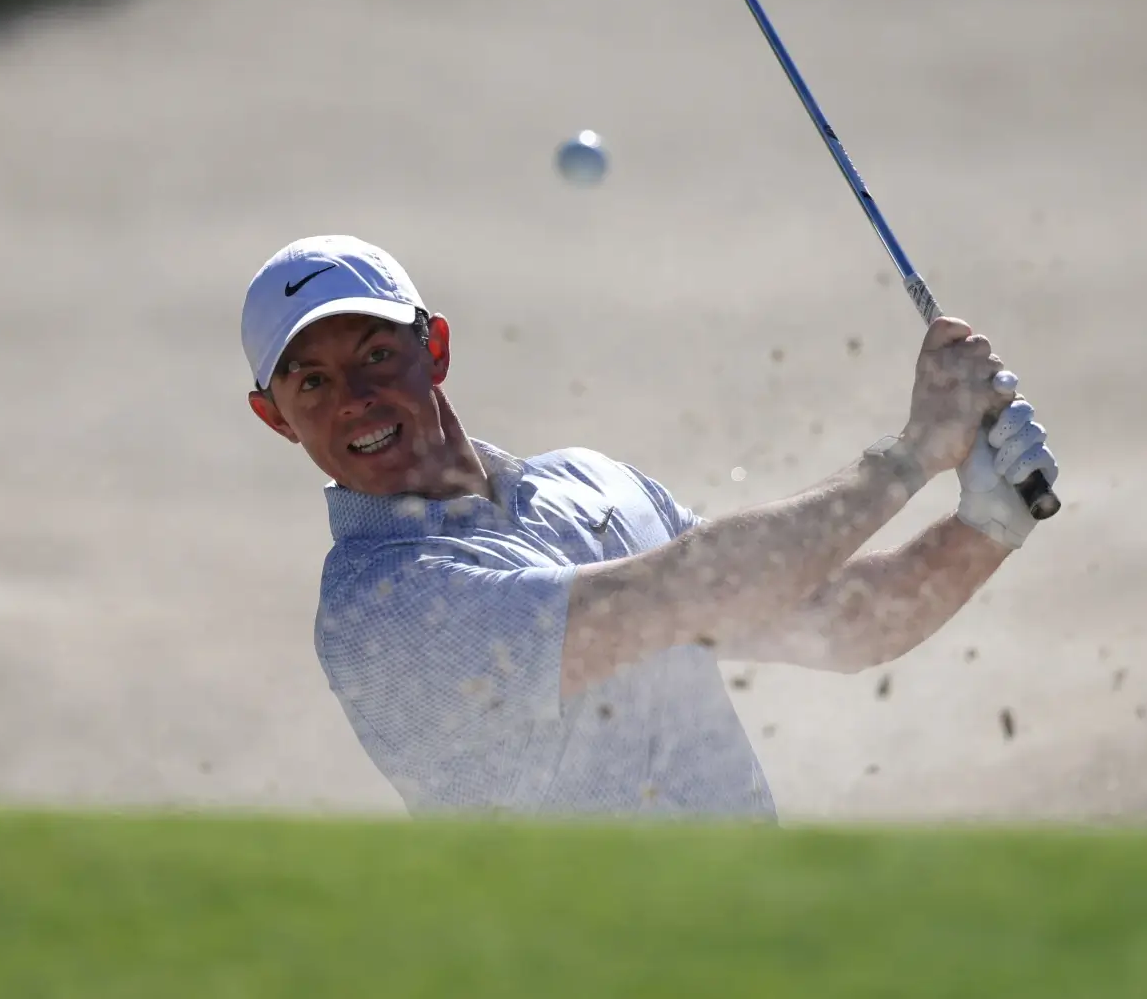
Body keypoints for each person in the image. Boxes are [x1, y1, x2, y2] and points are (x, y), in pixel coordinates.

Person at [242, 235, 1057, 818]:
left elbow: (841, 624)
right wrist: (913, 453)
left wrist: (987, 520)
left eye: (376, 354)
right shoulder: (379, 608)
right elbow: (687, 593)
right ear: (274, 417)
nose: (352, 396)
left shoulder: (586, 483)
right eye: (310, 381)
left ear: (436, 348)